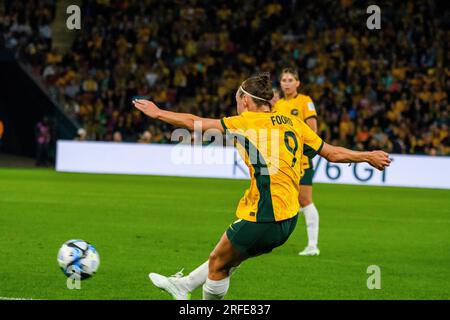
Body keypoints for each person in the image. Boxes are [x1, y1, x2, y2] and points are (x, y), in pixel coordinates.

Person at [133, 73, 390, 300]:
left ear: (245, 100)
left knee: (218, 263)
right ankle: (184, 284)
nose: (236, 103)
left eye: (237, 98)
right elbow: (332, 153)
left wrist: (158, 113)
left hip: (266, 215)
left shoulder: (245, 123)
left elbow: (193, 122)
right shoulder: (293, 122)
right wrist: (368, 155)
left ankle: (184, 289)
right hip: (289, 218)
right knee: (229, 259)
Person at [273, 68, 321, 256]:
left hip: (301, 159)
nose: (286, 83)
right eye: (283, 79)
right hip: (283, 160)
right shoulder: (277, 105)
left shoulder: (305, 101)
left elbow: (312, 131)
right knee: (286, 198)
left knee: (305, 199)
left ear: (298, 83)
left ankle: (313, 245)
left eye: (290, 79)